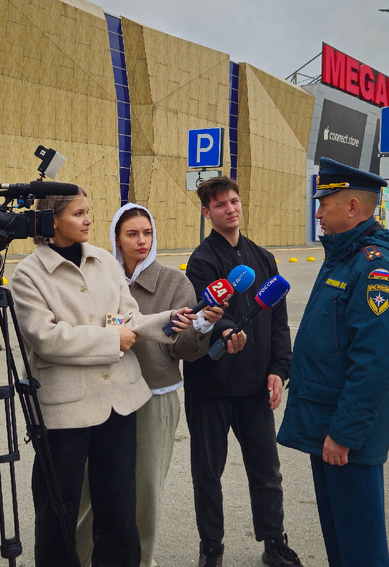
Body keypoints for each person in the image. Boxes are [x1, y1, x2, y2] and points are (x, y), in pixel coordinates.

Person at [10, 190, 198, 567]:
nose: (88, 220)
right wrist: (111, 340)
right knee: (59, 509)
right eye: (78, 213)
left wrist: (169, 320)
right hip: (66, 411)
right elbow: (46, 338)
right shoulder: (27, 274)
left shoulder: (104, 262)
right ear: (51, 220)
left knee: (119, 508)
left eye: (88, 212)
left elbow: (125, 318)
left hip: (118, 404)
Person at [276, 157, 389, 567]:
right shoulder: (343, 257)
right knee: (341, 544)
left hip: (345, 436)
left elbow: (376, 362)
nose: (317, 213)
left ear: (353, 207)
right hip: (328, 427)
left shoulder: (375, 270)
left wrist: (345, 434)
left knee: (361, 550)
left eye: (324, 203)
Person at [76, 204, 228, 567]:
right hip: (104, 393)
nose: (141, 240)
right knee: (90, 488)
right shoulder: (97, 277)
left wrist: (202, 326)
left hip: (154, 398)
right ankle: (79, 557)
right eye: (132, 234)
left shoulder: (175, 282)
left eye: (147, 233)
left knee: (145, 490)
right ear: (116, 238)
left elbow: (184, 350)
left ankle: (140, 560)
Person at [184, 176, 300, 567]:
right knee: (207, 472)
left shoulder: (263, 259)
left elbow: (279, 321)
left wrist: (279, 369)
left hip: (254, 386)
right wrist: (224, 328)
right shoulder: (201, 261)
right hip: (210, 385)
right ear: (207, 213)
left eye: (234, 201)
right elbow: (205, 310)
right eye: (220, 205)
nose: (230, 209)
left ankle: (274, 541)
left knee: (266, 470)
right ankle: (211, 547)